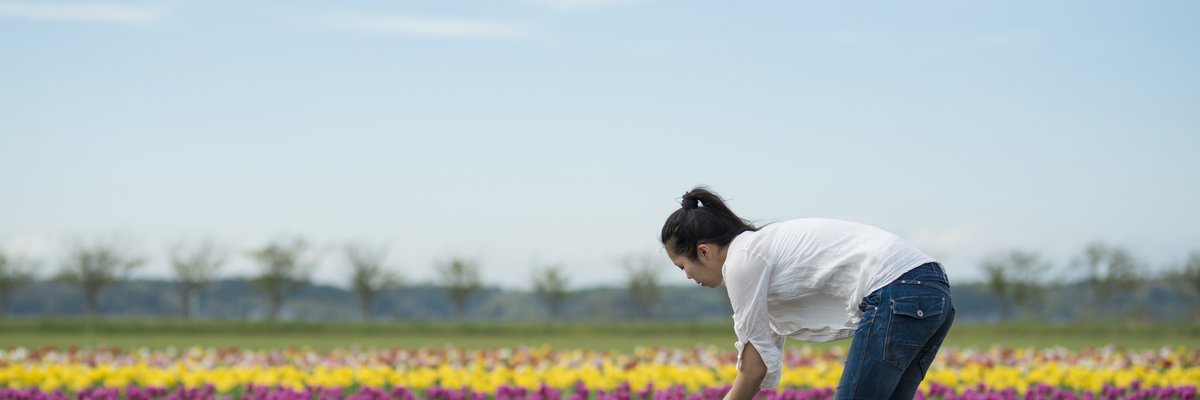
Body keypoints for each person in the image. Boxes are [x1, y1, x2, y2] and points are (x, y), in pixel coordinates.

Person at [660, 186, 954, 400]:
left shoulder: (742, 260)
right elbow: (761, 353)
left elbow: (753, 368)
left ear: (704, 251)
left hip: (899, 288)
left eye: (682, 266)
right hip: (932, 290)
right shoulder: (761, 250)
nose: (687, 276)